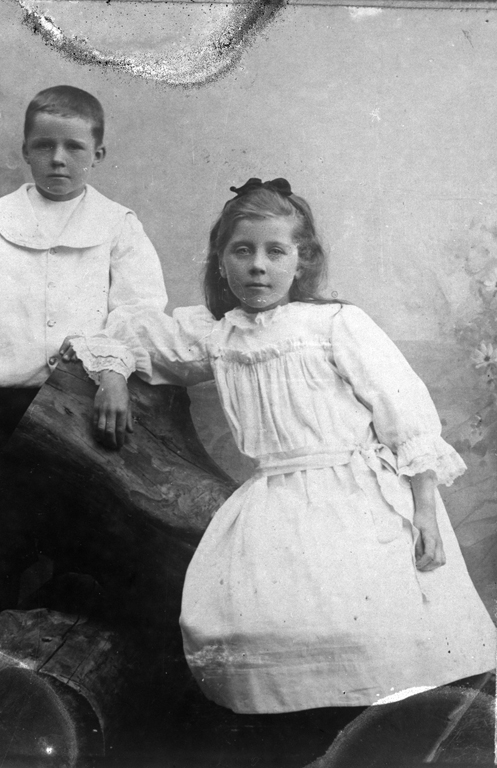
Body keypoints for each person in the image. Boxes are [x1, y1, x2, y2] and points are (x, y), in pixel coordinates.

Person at [66, 177, 496, 715]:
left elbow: (404, 415)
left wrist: (426, 512)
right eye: (241, 251)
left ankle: (389, 729)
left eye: (275, 251)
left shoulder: (336, 323)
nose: (258, 266)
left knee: (377, 622)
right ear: (220, 261)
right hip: (276, 499)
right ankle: (301, 730)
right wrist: (111, 377)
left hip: (359, 496)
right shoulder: (219, 334)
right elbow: (130, 336)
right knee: (249, 624)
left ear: (302, 260)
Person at [0, 84, 167, 448]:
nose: (58, 159)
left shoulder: (118, 224)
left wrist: (114, 372)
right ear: (26, 150)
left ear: (98, 153)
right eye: (44, 145)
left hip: (85, 399)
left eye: (74, 147)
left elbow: (139, 311)